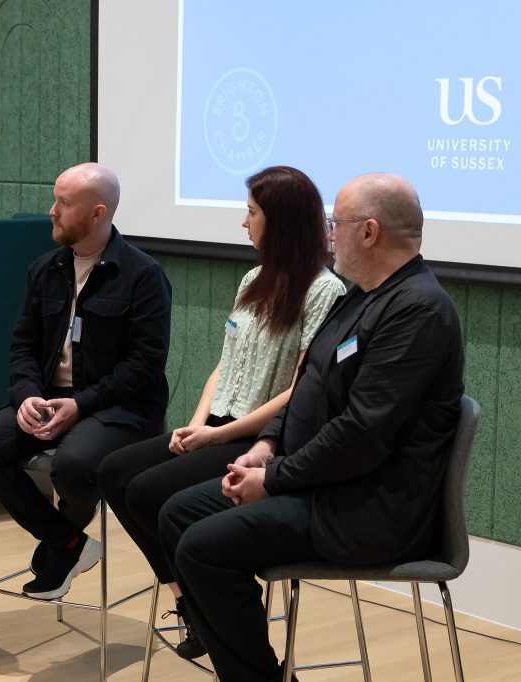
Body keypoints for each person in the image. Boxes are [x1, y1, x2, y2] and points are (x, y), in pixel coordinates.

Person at [157, 173, 464, 682]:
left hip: (368, 508)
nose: (327, 235)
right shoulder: (363, 296)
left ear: (369, 232)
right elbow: (307, 387)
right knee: (177, 514)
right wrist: (265, 445)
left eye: (335, 224)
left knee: (203, 547)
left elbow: (361, 435)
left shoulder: (417, 310)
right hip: (323, 484)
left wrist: (273, 478)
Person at [97, 166, 343, 658]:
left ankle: (217, 604)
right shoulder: (254, 277)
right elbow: (223, 365)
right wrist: (197, 422)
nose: (243, 223)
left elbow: (298, 393)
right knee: (113, 472)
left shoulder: (324, 292)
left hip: (259, 439)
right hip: (218, 423)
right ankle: (189, 600)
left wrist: (218, 436)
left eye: (251, 213)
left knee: (149, 492)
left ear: (283, 221)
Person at [0, 162, 172, 600]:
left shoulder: (143, 275)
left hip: (117, 408)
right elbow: (22, 346)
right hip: (48, 397)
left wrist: (83, 404)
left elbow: (145, 364)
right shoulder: (45, 269)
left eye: (64, 203)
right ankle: (70, 542)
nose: (51, 211)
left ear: (97, 213)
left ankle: (64, 540)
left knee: (73, 468)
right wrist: (26, 395)